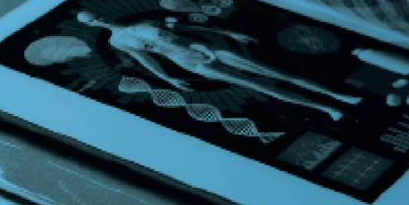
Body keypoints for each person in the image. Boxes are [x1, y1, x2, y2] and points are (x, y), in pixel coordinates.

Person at [77, 11, 361, 121]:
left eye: (95, 16)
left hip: (206, 47)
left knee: (278, 73)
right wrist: (169, 80)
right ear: (91, 26)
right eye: (91, 21)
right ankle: (327, 108)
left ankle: (339, 95)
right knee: (259, 85)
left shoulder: (144, 23)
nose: (98, 20)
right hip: (185, 60)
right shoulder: (118, 41)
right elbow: (145, 59)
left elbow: (186, 26)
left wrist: (229, 34)